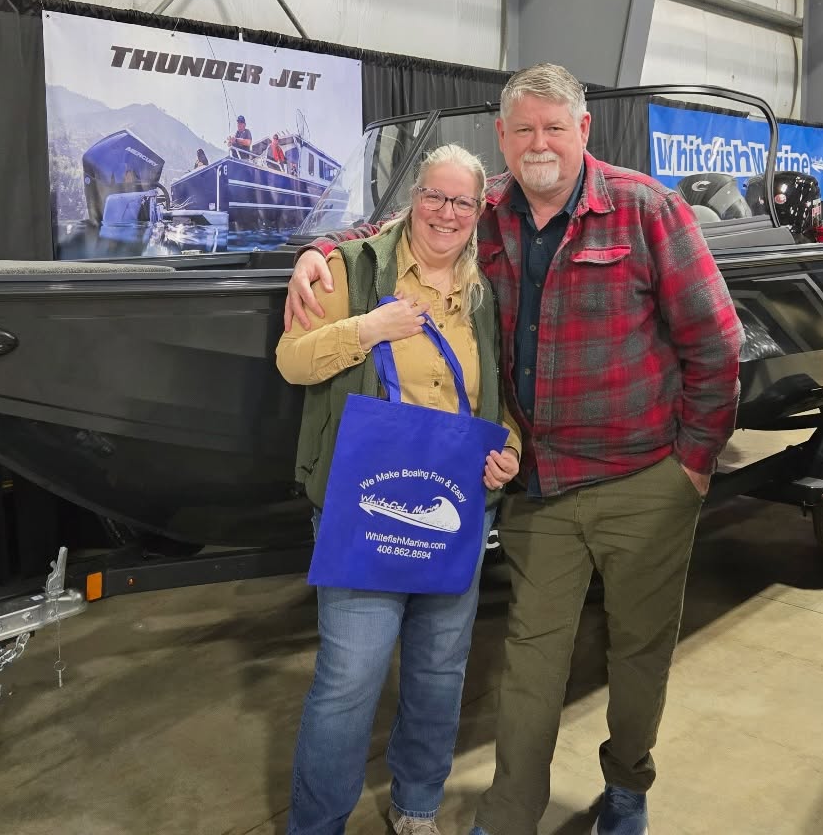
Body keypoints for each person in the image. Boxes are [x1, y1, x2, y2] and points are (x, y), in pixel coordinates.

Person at [284, 64, 743, 835]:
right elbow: (400, 231)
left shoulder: (646, 209)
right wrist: (322, 248)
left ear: (583, 132)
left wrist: (693, 465)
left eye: (554, 128)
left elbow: (717, 343)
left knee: (638, 654)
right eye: (523, 128)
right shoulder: (484, 206)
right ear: (501, 136)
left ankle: (627, 788)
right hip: (539, 485)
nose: (539, 143)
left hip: (645, 481)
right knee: (530, 662)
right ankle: (508, 817)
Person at [277, 143, 524, 835]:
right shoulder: (351, 268)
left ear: (480, 211)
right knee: (348, 679)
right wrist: (367, 329)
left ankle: (417, 808)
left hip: (456, 514)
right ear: (413, 198)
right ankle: (317, 824)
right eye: (435, 197)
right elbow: (291, 361)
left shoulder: (485, 291)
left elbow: (502, 401)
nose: (446, 213)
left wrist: (508, 451)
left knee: (439, 673)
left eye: (462, 202)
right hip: (363, 507)